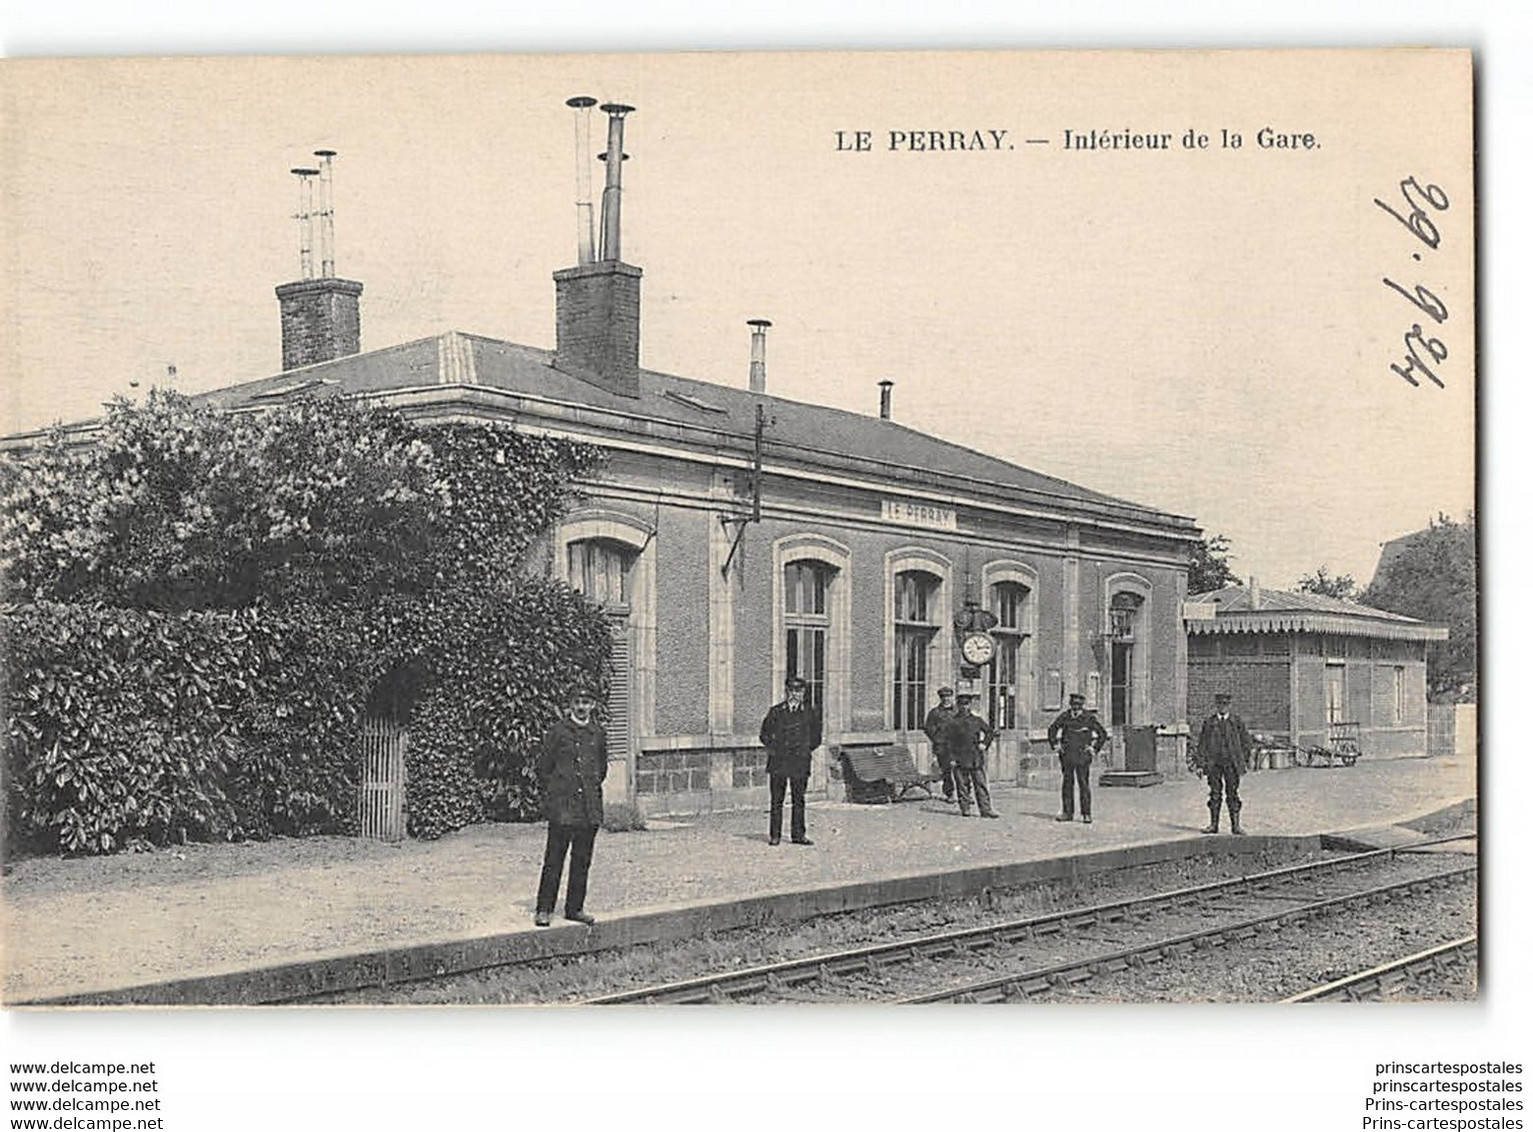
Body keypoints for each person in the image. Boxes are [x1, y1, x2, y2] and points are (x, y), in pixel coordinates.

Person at [533, 683, 608, 926]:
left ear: (593, 705)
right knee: (554, 859)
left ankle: (574, 908)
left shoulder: (598, 733)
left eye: (586, 702)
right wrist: (558, 792)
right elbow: (544, 767)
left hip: (588, 808)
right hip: (563, 808)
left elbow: (601, 768)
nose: (581, 707)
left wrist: (590, 787)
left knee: (582, 861)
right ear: (570, 705)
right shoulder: (558, 731)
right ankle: (544, 909)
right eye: (577, 702)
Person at [759, 675, 823, 845]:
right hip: (779, 762)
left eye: (799, 691)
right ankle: (775, 835)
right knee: (776, 801)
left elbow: (816, 737)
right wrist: (776, 749)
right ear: (786, 692)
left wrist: (803, 750)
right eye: (791, 690)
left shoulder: (810, 713)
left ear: (803, 693)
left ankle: (798, 835)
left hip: (799, 762)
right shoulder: (776, 712)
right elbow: (764, 735)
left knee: (799, 800)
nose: (795, 694)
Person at [1196, 691, 1253, 835]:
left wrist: (1243, 760)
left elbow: (1246, 743)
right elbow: (1202, 745)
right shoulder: (1209, 723)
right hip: (1214, 764)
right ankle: (1213, 825)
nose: (1222, 708)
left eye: (1225, 705)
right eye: (1220, 704)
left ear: (1229, 706)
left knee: (1232, 793)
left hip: (1231, 764)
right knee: (1214, 794)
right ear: (1216, 705)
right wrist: (1201, 764)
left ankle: (1236, 826)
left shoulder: (1236, 722)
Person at [1047, 692, 1108, 824]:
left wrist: (1094, 749)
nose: (1076, 708)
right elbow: (1052, 729)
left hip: (1082, 757)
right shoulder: (1065, 716)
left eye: (1078, 706)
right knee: (1067, 784)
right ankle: (1067, 813)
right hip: (1067, 755)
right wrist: (1056, 745)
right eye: (1074, 705)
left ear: (1082, 706)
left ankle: (1086, 814)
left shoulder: (1089, 717)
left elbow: (1102, 734)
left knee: (1083, 784)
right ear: (1070, 705)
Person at [944, 693, 998, 818]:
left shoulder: (976, 720)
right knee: (962, 785)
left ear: (970, 705)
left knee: (981, 784)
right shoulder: (952, 722)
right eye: (961, 704)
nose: (964, 707)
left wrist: (984, 744)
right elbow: (948, 742)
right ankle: (965, 808)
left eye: (966, 704)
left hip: (975, 757)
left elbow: (990, 732)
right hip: (959, 757)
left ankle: (986, 809)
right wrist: (951, 759)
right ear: (958, 706)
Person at [922, 686, 960, 803]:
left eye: (948, 696)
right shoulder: (935, 713)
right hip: (942, 747)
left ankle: (964, 795)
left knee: (961, 770)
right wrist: (937, 739)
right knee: (946, 771)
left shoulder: (958, 711)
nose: (946, 699)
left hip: (958, 746)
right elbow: (928, 728)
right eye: (944, 697)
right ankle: (950, 794)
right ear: (940, 698)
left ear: (952, 697)